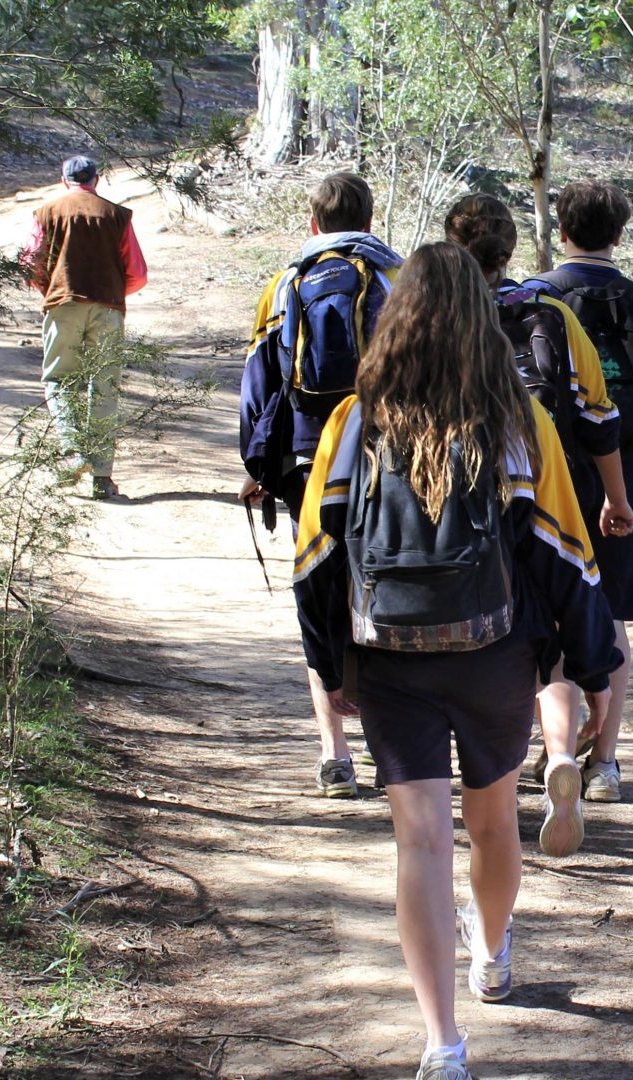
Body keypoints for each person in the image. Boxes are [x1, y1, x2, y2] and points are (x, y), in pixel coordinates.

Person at [292, 242, 620, 1080]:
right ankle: (496, 950)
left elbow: (314, 561)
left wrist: (335, 673)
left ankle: (442, 1044)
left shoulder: (354, 420)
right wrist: (589, 662)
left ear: (395, 322)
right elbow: (565, 553)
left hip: (391, 656)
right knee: (490, 822)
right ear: (483, 321)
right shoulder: (518, 419)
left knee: (423, 842)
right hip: (496, 656)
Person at [441, 193, 633, 857]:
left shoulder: (434, 315)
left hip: (454, 504)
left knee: (469, 636)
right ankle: (559, 755)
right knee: (549, 635)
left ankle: (471, 781)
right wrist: (614, 499)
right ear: (510, 249)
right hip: (551, 494)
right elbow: (597, 415)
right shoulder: (548, 313)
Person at [239, 172, 404, 799]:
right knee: (385, 583)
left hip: (313, 454)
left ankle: (335, 755)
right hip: (392, 449)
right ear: (370, 215)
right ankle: (396, 747)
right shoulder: (400, 277)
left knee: (318, 584)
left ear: (314, 224)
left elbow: (261, 381)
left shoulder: (286, 284)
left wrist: (257, 468)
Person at [521, 182, 633, 804]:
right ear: (619, 234)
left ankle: (558, 749)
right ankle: (605, 761)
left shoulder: (538, 300)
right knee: (607, 615)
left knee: (551, 616)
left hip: (546, 485)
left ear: (562, 230)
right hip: (626, 487)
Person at [21, 155, 148, 500]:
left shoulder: (46, 213)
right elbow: (137, 272)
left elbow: (30, 262)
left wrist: (51, 288)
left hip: (63, 305)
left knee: (58, 382)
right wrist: (111, 292)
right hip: (108, 308)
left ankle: (73, 452)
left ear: (63, 180)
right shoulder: (117, 215)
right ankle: (102, 479)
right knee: (104, 386)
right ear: (97, 179)